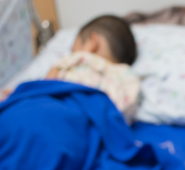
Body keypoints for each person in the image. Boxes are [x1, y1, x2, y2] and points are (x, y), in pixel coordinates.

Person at [4, 15, 140, 124]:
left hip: (56, 110)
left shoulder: (78, 58)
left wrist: (18, 94)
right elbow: (125, 114)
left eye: (73, 47)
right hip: (92, 124)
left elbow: (46, 85)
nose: (71, 52)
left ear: (92, 42)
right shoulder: (127, 75)